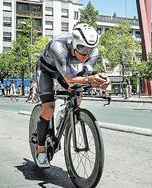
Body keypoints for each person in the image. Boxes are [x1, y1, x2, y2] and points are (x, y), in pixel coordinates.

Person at [34, 23, 110, 168]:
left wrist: (101, 80)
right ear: (74, 43)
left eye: (89, 49)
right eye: (81, 48)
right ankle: (41, 149)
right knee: (49, 108)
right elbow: (70, 79)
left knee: (78, 90)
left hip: (62, 69)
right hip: (46, 70)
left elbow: (86, 74)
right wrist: (89, 80)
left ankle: (64, 114)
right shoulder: (58, 47)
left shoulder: (92, 51)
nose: (85, 54)